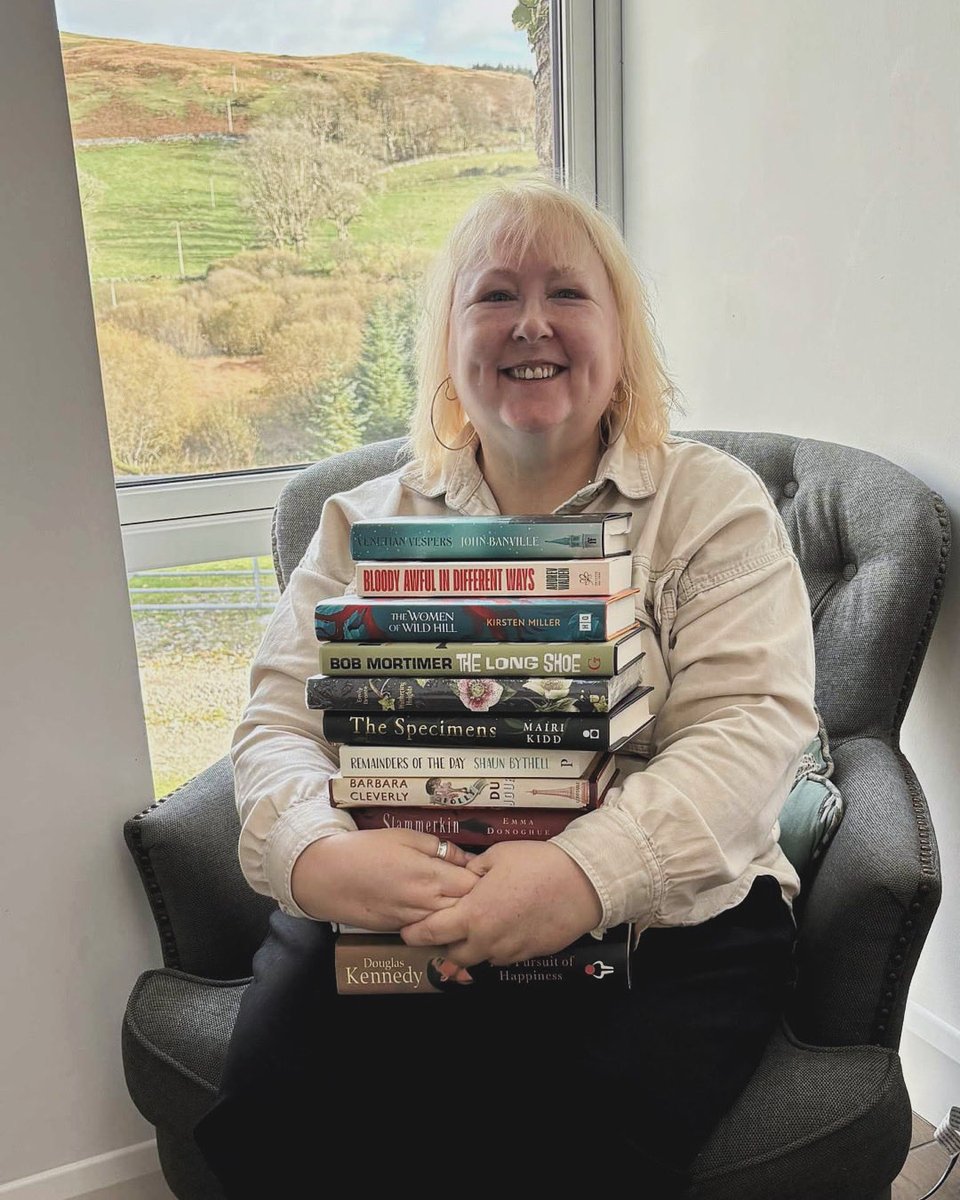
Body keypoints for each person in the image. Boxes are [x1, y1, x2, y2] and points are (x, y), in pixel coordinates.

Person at [193, 179, 818, 1195]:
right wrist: (314, 855)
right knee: (272, 1124)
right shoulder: (362, 522)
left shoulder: (714, 509)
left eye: (568, 293)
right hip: (393, 891)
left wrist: (583, 874)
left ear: (622, 343)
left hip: (666, 927)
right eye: (494, 296)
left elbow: (749, 731)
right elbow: (274, 724)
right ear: (448, 345)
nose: (532, 323)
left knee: (549, 1155)